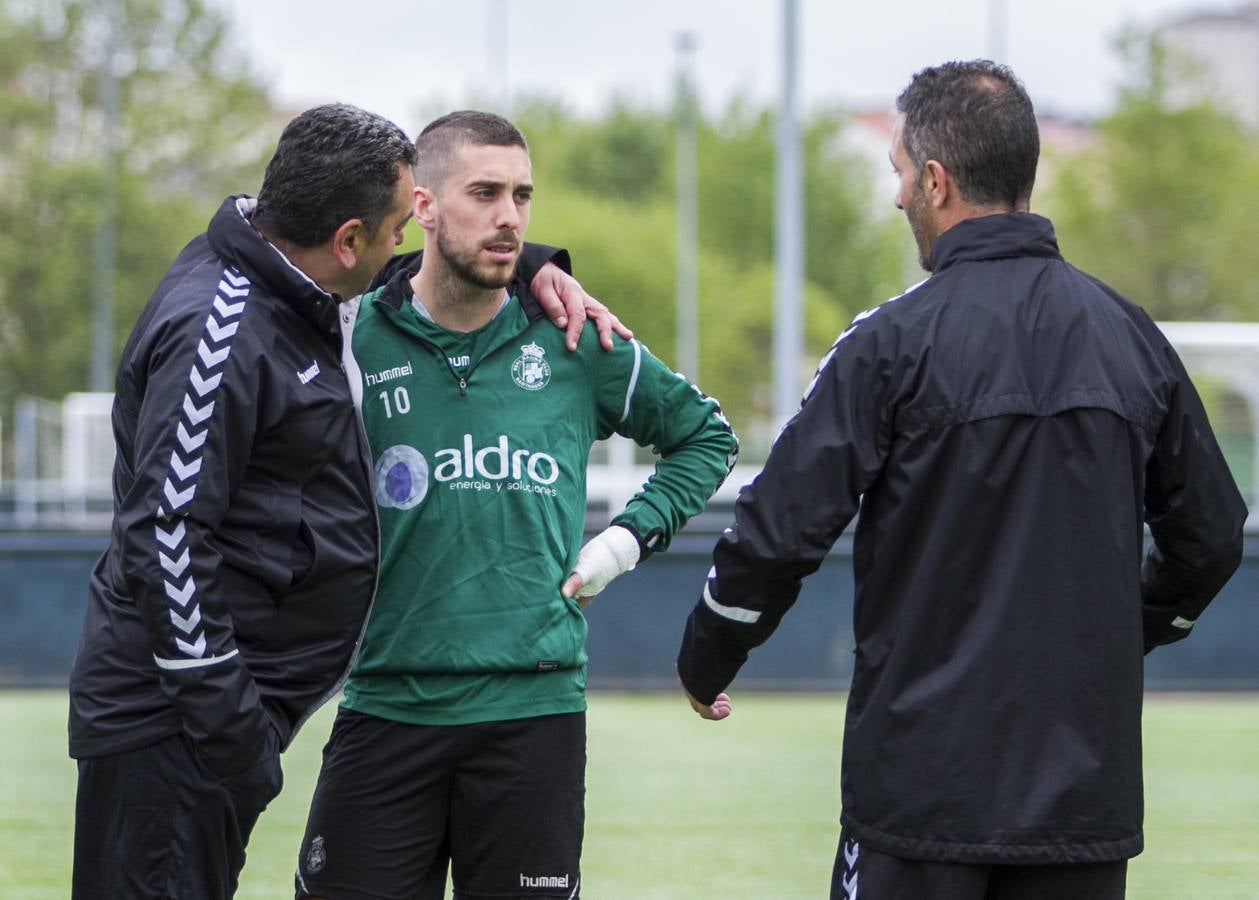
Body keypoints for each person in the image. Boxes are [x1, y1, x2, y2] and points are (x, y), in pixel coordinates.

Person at [676, 60, 1247, 900]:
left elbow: (776, 530)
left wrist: (708, 654)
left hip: (918, 793)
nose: (894, 194)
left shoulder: (887, 343)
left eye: (899, 173)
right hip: (1080, 805)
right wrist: (1136, 625)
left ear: (936, 182)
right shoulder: (1130, 337)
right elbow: (1211, 536)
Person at [67, 102, 625, 900]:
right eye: (398, 228)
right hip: (174, 724)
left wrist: (528, 263)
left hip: (202, 723)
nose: (405, 245)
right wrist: (235, 733)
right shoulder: (221, 329)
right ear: (347, 240)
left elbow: (419, 273)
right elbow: (166, 538)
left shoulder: (290, 286)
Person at [294, 110, 738, 900]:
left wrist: (621, 545)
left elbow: (707, 438)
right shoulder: (351, 338)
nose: (509, 216)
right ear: (423, 208)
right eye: (485, 193)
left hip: (533, 715)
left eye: (522, 197)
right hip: (387, 703)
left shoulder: (576, 340)